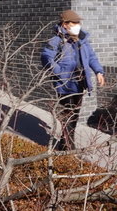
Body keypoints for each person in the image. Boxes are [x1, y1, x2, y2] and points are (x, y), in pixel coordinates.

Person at [41, 9, 105, 150]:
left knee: (75, 114)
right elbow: (46, 58)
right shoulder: (56, 40)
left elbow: (91, 57)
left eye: (78, 22)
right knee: (68, 115)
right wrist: (60, 72)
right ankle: (68, 146)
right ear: (65, 24)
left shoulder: (82, 39)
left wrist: (98, 71)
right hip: (65, 84)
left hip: (79, 82)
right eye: (74, 22)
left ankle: (66, 144)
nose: (77, 25)